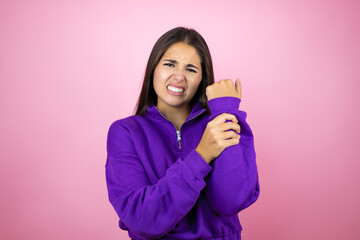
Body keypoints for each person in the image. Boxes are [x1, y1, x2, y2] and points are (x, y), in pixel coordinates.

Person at [105, 27, 260, 240]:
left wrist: (225, 110)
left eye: (191, 69)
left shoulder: (219, 122)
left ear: (202, 79)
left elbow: (230, 202)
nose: (179, 77)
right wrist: (202, 155)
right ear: (153, 69)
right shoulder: (125, 132)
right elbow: (141, 218)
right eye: (169, 64)